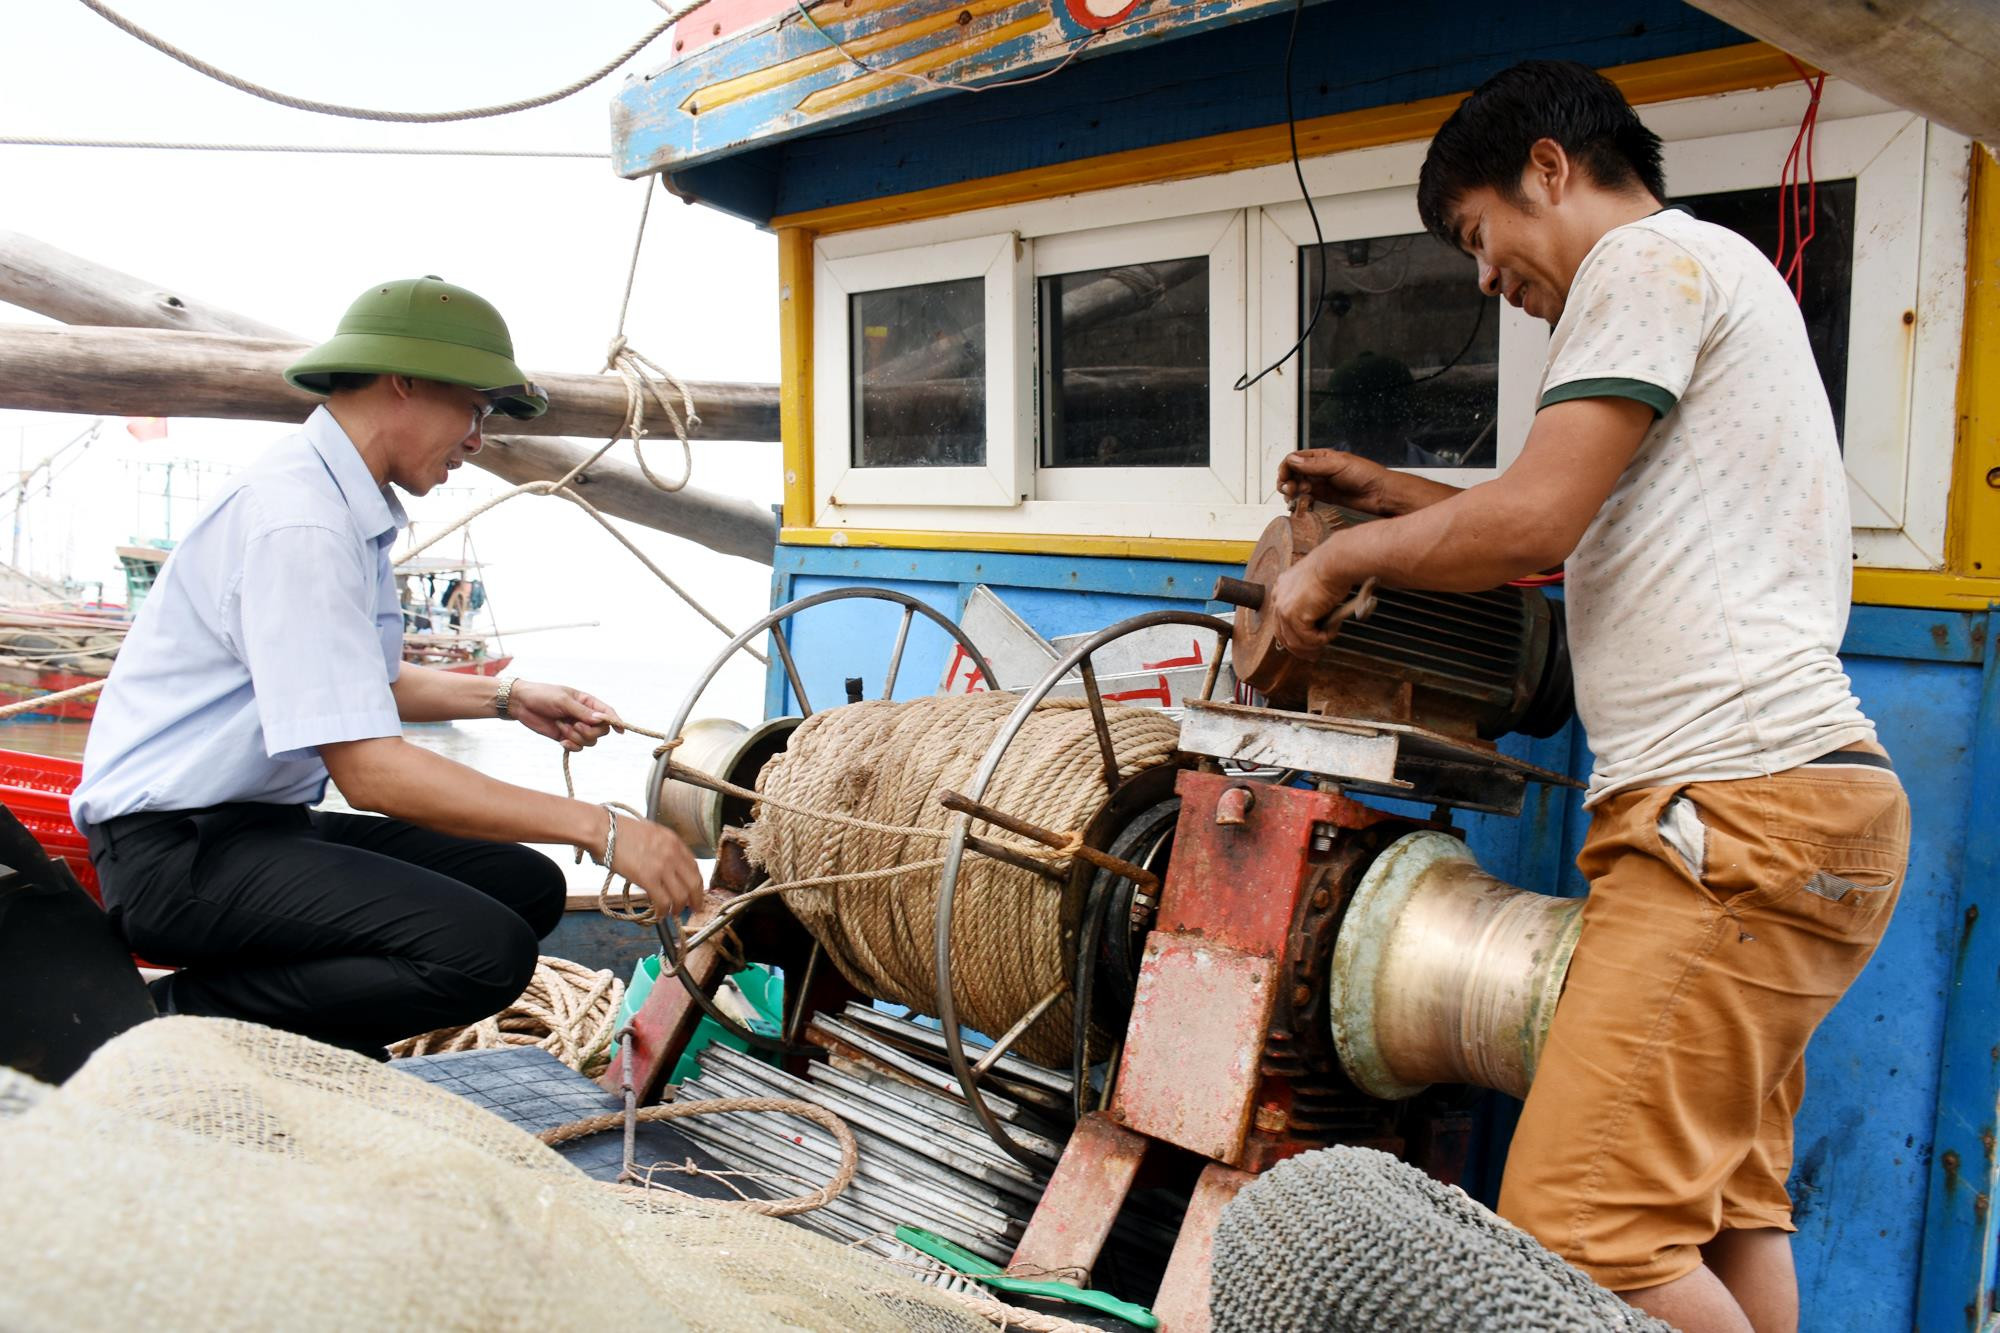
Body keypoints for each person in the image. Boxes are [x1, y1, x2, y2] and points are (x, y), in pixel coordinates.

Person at [1270, 62, 1909, 1333]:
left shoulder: (1643, 266)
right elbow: (1572, 527)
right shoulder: (1717, 282)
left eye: (1475, 234)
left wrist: (1335, 558)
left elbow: (1535, 517)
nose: (1482, 277)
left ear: (1547, 171)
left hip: (1732, 823)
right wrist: (1387, 490)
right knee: (1724, 1217)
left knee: (1584, 1238)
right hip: (1800, 824)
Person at [72, 276, 703, 1059]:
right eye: (474, 409)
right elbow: (373, 772)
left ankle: (304, 1030)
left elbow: (362, 681)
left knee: (526, 887)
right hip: (175, 855)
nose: (477, 439)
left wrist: (510, 698)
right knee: (482, 951)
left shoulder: (338, 500)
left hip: (250, 831)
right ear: (403, 381)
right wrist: (603, 829)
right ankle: (165, 1017)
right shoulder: (300, 519)